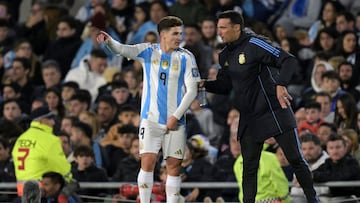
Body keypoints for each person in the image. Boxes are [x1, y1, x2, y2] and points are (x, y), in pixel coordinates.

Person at [201, 11, 318, 203]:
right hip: (249, 116)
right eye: (218, 27)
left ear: (236, 27)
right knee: (249, 167)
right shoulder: (224, 56)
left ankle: (313, 200)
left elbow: (288, 60)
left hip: (273, 109)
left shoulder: (255, 44)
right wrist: (204, 84)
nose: (218, 32)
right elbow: (225, 86)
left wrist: (281, 85)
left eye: (223, 27)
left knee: (295, 159)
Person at [97, 15, 200, 203]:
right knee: (147, 163)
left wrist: (175, 117)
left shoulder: (186, 57)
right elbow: (122, 49)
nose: (179, 37)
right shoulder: (147, 51)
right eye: (175, 33)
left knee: (174, 167)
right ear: (163, 35)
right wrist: (109, 41)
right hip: (150, 119)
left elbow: (192, 90)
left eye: (180, 33)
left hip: (176, 121)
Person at [11, 106, 72, 197]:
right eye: (50, 119)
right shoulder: (50, 140)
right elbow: (60, 166)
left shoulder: (21, 138)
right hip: (43, 192)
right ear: (40, 121)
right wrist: (69, 180)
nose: (53, 122)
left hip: (23, 193)